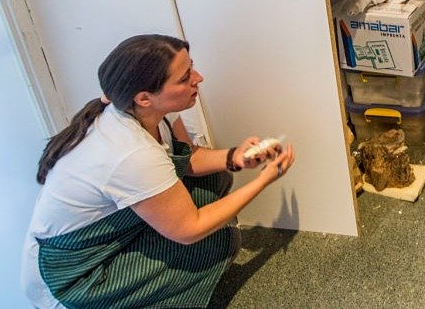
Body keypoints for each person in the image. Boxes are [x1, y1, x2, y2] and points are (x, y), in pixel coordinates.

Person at [21, 34, 295, 308]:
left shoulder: (148, 114)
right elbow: (189, 228)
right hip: (73, 275)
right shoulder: (130, 153)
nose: (198, 78)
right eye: (185, 77)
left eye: (192, 68)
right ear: (144, 98)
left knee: (215, 179)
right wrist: (262, 181)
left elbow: (185, 161)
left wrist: (235, 157)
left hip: (113, 232)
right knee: (219, 243)